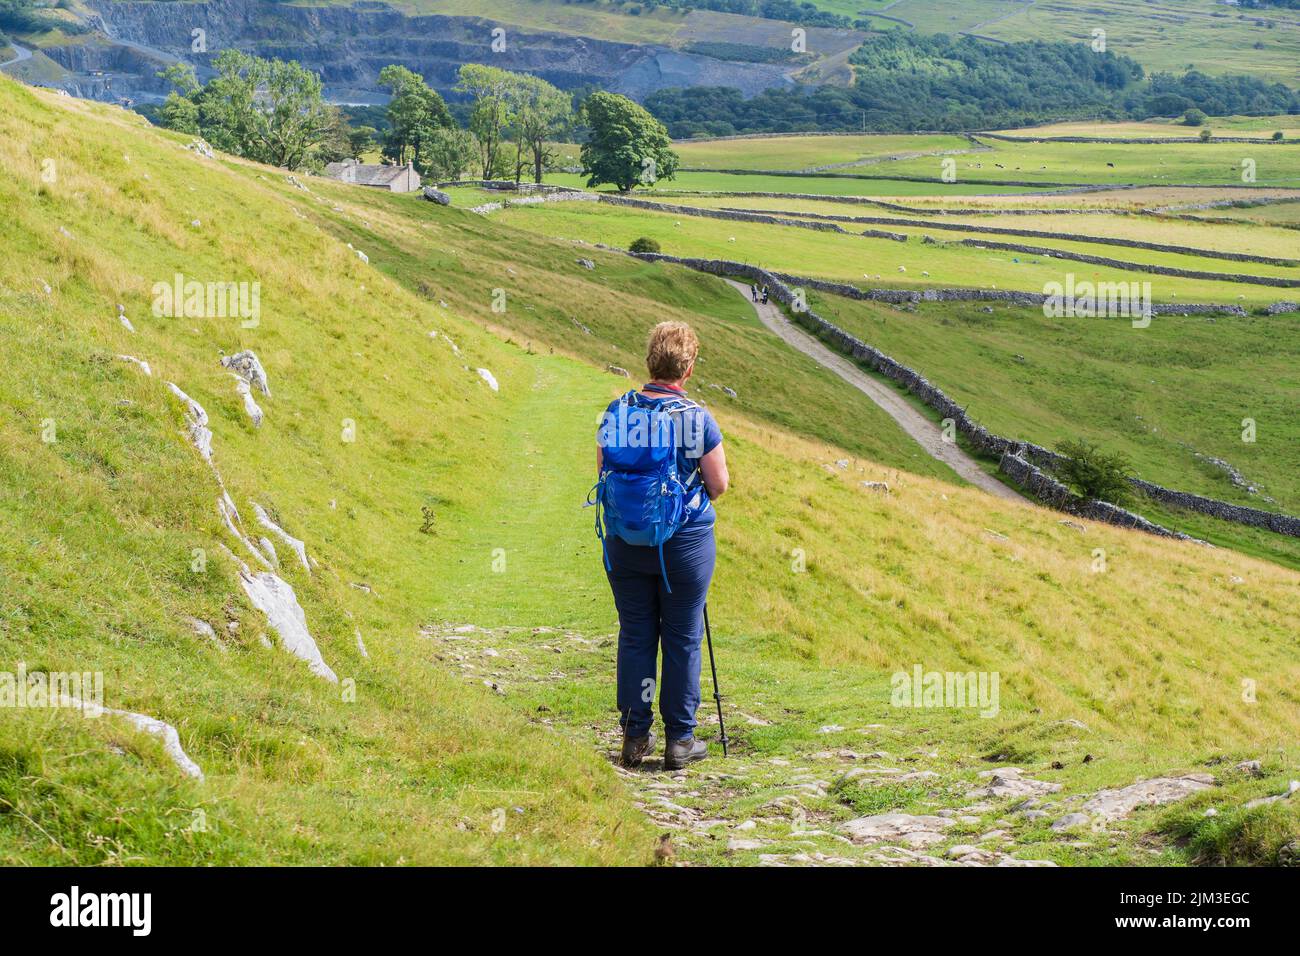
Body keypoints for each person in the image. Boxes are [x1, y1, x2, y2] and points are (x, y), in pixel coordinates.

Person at [595, 322, 729, 771]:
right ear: (687, 368)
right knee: (682, 638)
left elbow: (602, 472)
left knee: (636, 634)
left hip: (624, 541)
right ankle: (680, 741)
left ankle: (634, 737)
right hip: (683, 545)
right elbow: (719, 484)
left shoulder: (617, 411)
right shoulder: (695, 419)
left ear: (650, 360)